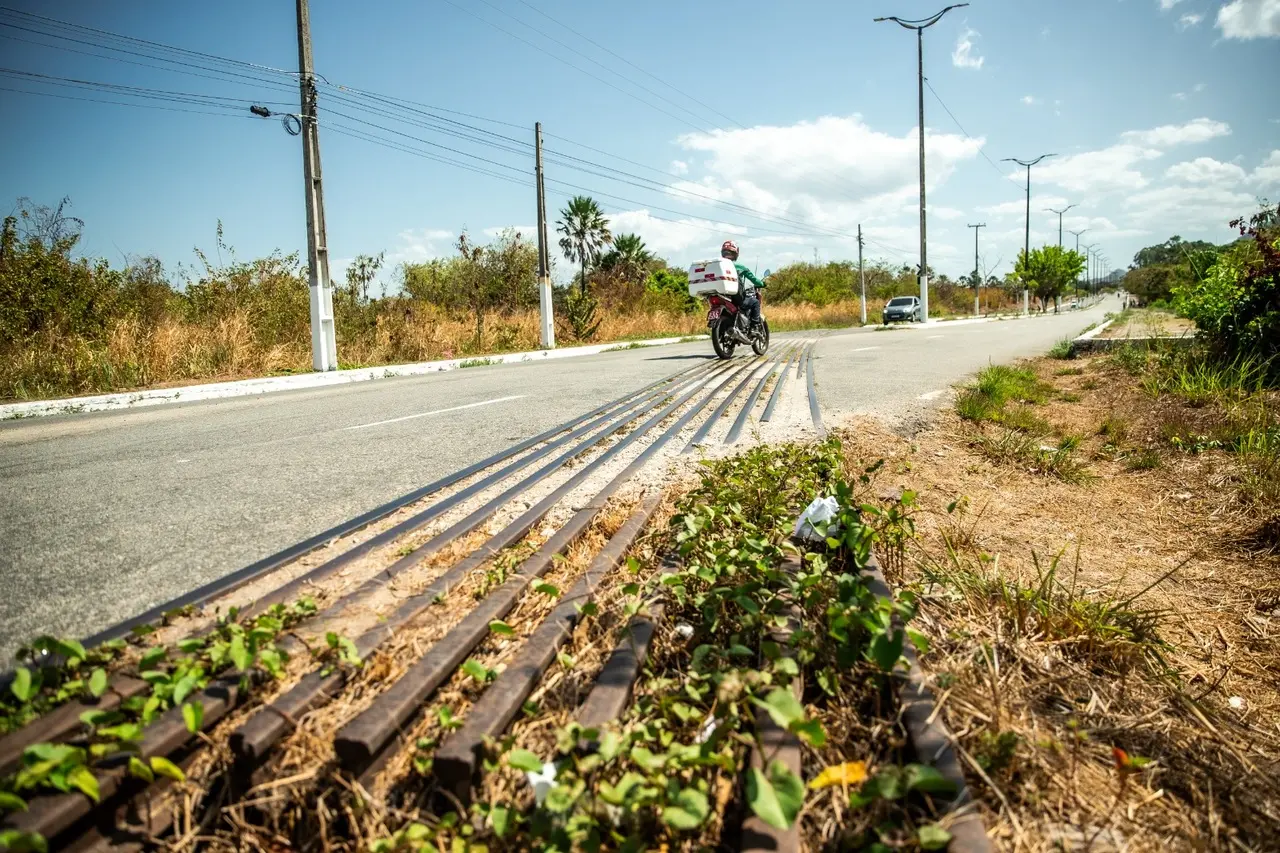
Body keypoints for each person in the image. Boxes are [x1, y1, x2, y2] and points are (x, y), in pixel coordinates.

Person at [720, 240, 764, 338]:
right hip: (736, 298)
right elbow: (754, 279)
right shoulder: (739, 266)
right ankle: (754, 328)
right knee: (755, 302)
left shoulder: (719, 266)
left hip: (721, 296)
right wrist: (762, 283)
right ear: (735, 253)